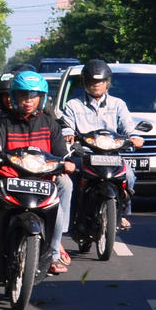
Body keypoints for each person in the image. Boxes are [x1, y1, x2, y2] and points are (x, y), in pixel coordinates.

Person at [0, 71, 75, 270]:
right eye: (23, 95)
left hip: (44, 178)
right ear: (14, 97)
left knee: (66, 185)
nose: (28, 101)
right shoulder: (4, 123)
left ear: (41, 98)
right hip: (12, 177)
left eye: (33, 96)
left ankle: (54, 253)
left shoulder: (50, 124)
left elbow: (62, 153)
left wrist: (68, 163)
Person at [61, 59, 143, 230]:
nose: (96, 85)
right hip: (84, 155)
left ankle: (122, 214)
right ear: (85, 82)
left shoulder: (118, 104)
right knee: (71, 179)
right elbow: (66, 126)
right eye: (92, 81)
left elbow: (128, 127)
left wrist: (135, 137)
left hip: (111, 156)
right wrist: (68, 134)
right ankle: (70, 218)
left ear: (107, 83)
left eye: (100, 81)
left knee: (128, 176)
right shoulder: (73, 105)